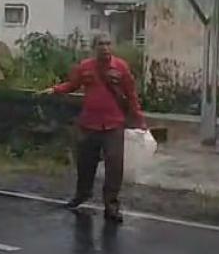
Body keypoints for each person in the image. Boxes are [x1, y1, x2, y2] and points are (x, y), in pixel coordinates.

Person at [41, 34, 145, 223]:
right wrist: (56, 90)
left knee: (114, 166)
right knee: (85, 164)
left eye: (107, 44)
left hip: (113, 124)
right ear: (94, 47)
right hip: (89, 124)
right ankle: (82, 195)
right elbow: (72, 84)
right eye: (100, 44)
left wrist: (139, 120)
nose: (104, 47)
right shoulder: (85, 67)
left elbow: (131, 95)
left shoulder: (120, 67)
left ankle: (111, 206)